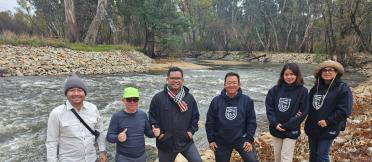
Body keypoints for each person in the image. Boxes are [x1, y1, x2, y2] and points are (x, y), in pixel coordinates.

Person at [46, 72, 107, 162]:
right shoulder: (56, 113)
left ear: (84, 93)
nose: (76, 93)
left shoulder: (93, 109)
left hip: (91, 159)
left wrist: (102, 151)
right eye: (72, 90)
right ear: (66, 93)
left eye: (79, 90)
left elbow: (99, 131)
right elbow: (52, 141)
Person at [148, 67, 202, 162]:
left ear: (182, 80)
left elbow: (195, 117)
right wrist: (160, 135)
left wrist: (190, 132)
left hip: (186, 142)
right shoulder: (158, 98)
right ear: (167, 80)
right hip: (166, 144)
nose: (176, 81)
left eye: (178, 78)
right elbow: (152, 118)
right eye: (173, 78)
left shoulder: (189, 98)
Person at [305, 60, 353, 162]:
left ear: (336, 72)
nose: (327, 72)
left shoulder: (343, 88)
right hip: (313, 127)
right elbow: (307, 106)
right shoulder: (315, 88)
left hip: (329, 127)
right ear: (320, 73)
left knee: (322, 155)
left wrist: (328, 121)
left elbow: (345, 110)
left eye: (331, 70)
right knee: (313, 155)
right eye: (324, 70)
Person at [206, 72, 258, 162]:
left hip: (241, 139)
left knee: (252, 160)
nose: (232, 85)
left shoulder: (247, 100)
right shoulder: (216, 101)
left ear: (239, 85)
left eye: (234, 83)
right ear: (224, 85)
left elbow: (251, 122)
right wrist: (211, 140)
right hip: (221, 141)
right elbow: (210, 122)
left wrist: (249, 139)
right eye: (229, 83)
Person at [265, 63, 309, 162]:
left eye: (292, 74)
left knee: (286, 157)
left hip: (291, 129)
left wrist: (287, 125)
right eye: (286, 74)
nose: (289, 77)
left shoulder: (303, 91)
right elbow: (269, 109)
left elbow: (303, 111)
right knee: (277, 157)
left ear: (297, 75)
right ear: (282, 75)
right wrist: (275, 123)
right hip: (276, 128)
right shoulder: (274, 90)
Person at [106, 86, 160, 162]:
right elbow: (109, 137)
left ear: (138, 100)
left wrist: (155, 133)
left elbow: (148, 133)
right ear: (123, 100)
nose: (132, 102)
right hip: (124, 157)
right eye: (129, 99)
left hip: (141, 156)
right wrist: (118, 137)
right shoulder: (117, 116)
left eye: (135, 99)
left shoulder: (143, 115)